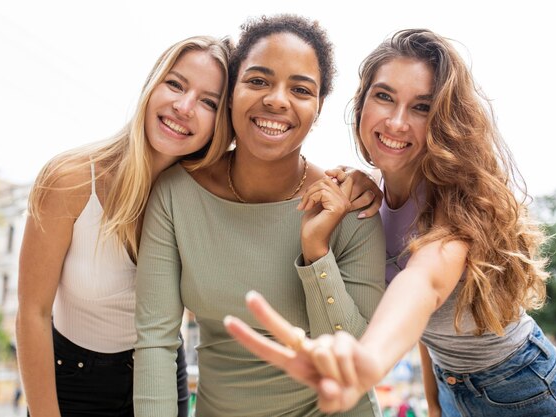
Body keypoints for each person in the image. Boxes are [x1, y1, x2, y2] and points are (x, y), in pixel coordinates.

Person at [224, 28, 556, 417]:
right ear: (361, 102)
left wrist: (368, 360)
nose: (396, 122)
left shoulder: (455, 204)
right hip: (454, 391)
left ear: (444, 120)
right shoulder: (368, 196)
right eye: (384, 97)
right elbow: (421, 326)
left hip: (528, 388)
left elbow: (424, 284)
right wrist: (434, 404)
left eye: (421, 107)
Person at [134, 15, 385, 417]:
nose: (277, 100)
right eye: (258, 81)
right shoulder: (176, 196)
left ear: (317, 109)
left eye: (300, 89)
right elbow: (156, 343)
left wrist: (317, 252)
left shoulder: (352, 207)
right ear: (231, 92)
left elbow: (355, 359)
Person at [16, 35, 233, 417]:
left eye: (208, 102)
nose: (184, 107)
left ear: (221, 123)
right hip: (71, 381)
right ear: (152, 85)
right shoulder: (71, 180)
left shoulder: (201, 198)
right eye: (176, 84)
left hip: (162, 373)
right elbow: (32, 312)